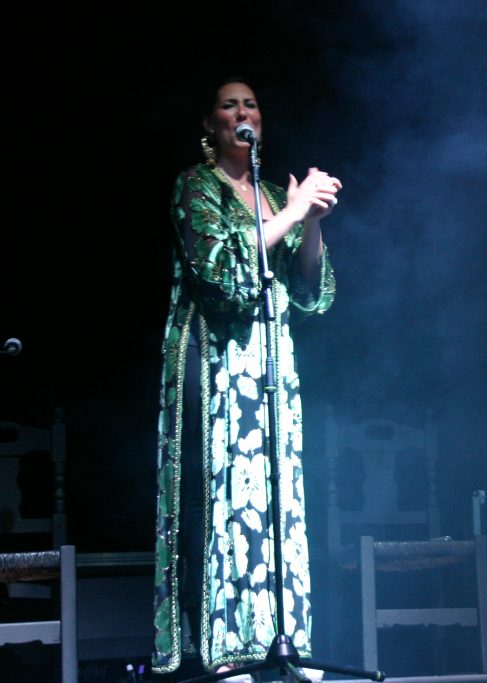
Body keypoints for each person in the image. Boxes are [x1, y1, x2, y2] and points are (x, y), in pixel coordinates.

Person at [151, 76, 340, 680]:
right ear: (211, 123)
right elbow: (220, 272)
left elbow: (310, 294)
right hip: (211, 358)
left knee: (274, 497)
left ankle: (278, 642)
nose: (242, 112)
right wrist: (292, 213)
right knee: (218, 495)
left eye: (251, 104)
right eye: (229, 104)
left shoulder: (273, 194)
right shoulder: (195, 186)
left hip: (269, 362)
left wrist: (312, 221)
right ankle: (219, 647)